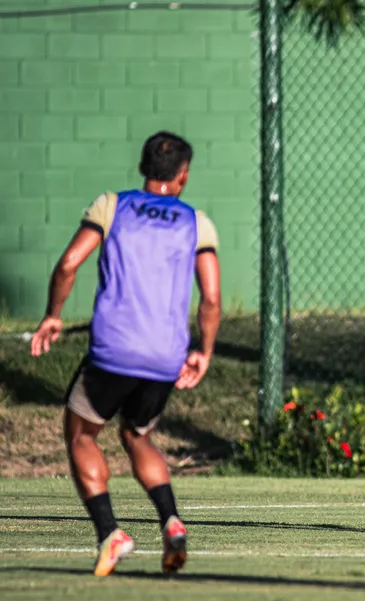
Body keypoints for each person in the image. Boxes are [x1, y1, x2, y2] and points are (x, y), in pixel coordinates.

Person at [30, 131, 222, 577]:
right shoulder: (197, 222)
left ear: (142, 168)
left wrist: (53, 314)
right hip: (164, 356)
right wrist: (204, 351)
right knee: (137, 435)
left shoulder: (111, 206)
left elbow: (67, 264)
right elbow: (211, 300)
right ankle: (172, 521)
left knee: (81, 435)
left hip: (114, 349)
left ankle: (109, 532)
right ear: (183, 176)